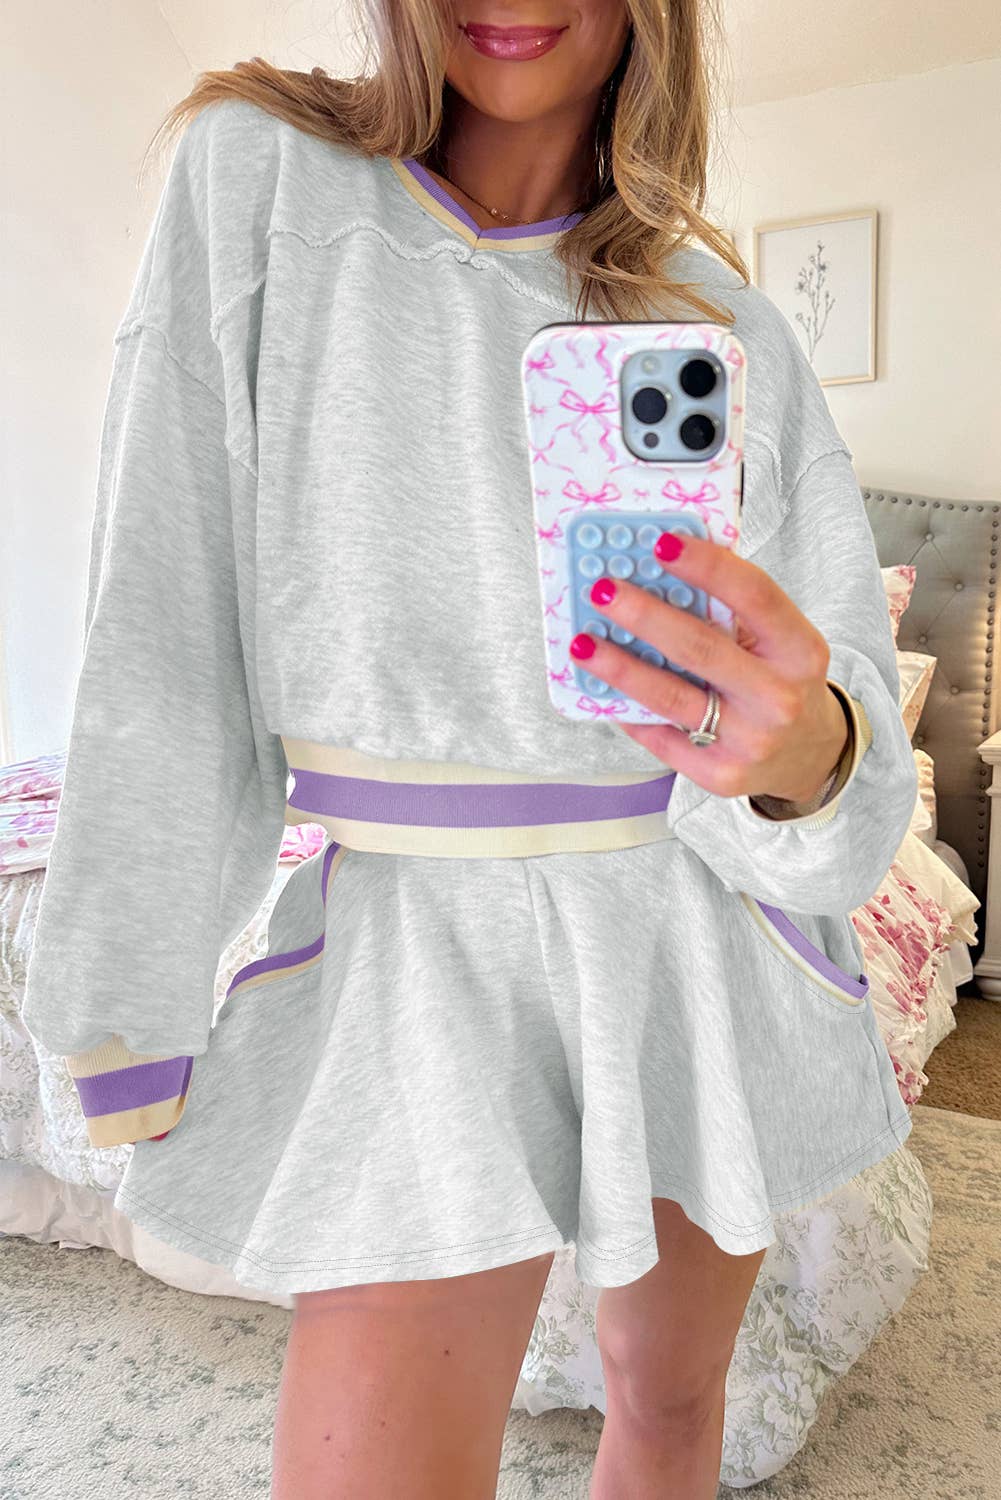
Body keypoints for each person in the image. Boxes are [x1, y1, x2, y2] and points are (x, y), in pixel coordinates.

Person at [21, 2, 918, 1496]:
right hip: (415, 938)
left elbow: (850, 771)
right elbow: (163, 618)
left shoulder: (724, 325)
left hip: (696, 930)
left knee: (669, 1404)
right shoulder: (260, 177)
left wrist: (810, 748)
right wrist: (126, 990)